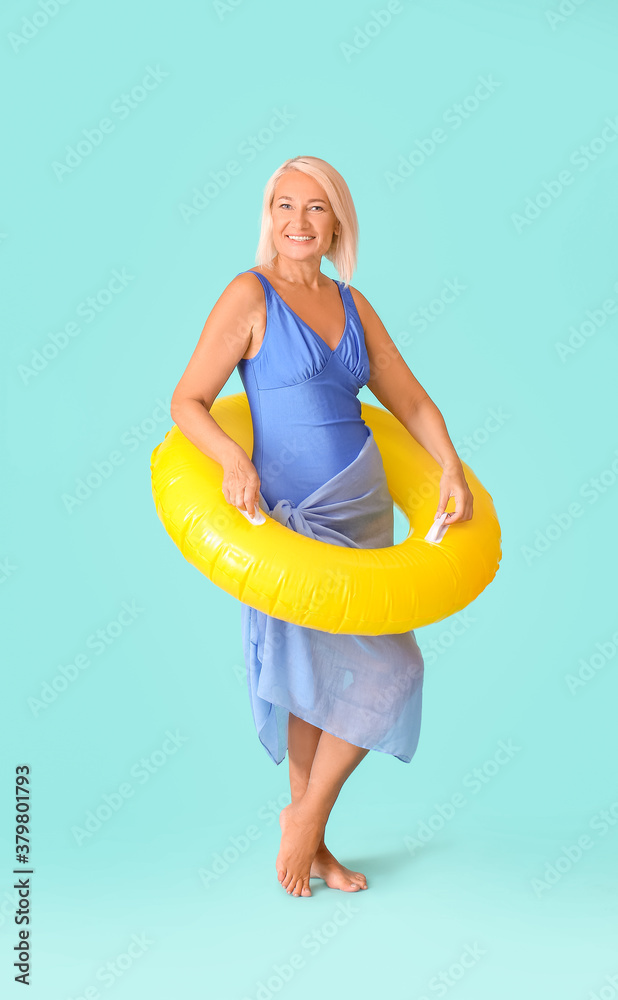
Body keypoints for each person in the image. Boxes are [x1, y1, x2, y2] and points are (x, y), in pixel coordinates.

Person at [170, 155, 474, 900]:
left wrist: (452, 467)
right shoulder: (249, 295)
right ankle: (310, 832)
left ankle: (304, 824)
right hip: (292, 520)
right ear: (267, 216)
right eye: (283, 205)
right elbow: (187, 402)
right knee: (312, 682)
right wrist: (232, 464)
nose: (297, 222)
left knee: (378, 672)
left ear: (336, 222)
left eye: (314, 208)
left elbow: (412, 401)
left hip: (363, 509)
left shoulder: (354, 305)